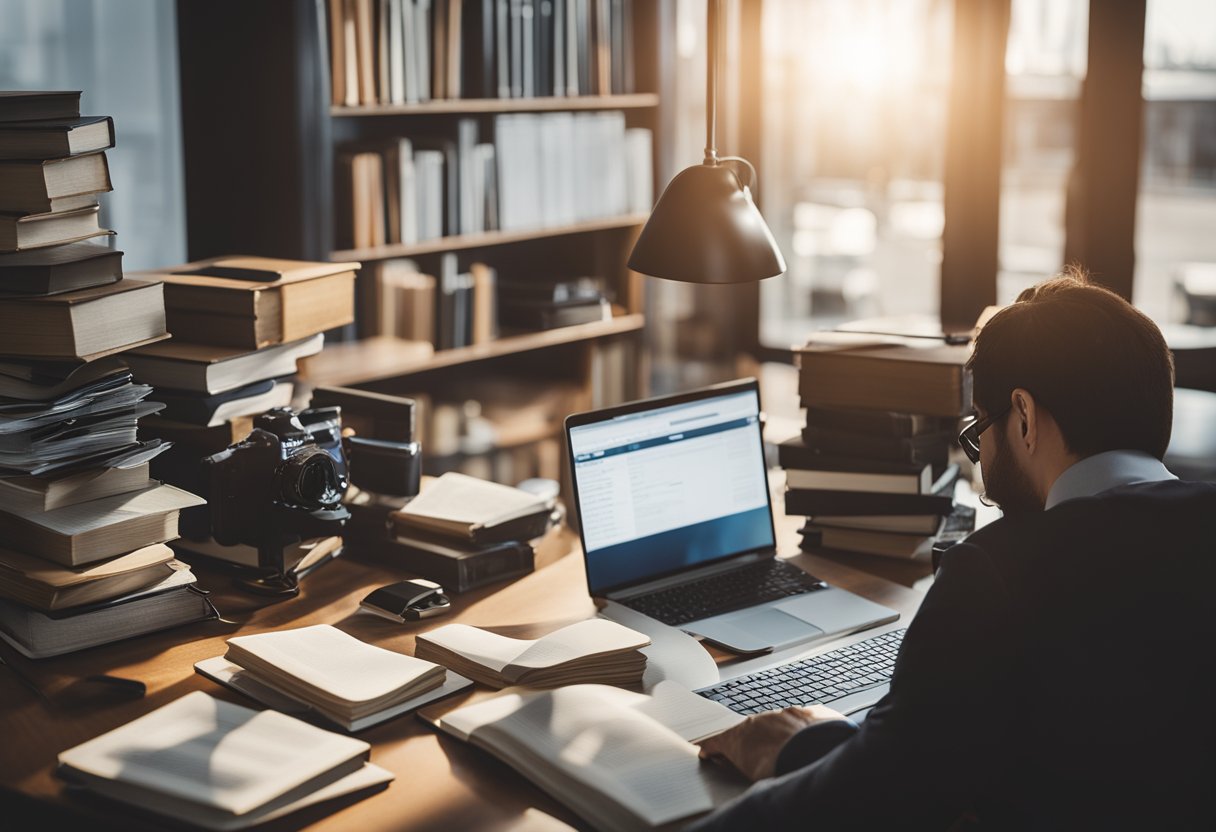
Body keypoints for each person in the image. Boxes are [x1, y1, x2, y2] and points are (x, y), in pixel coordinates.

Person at [691, 271, 1216, 831]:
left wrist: (796, 755)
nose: (981, 462)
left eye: (980, 428)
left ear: (1024, 417)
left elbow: (878, 801)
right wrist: (831, 749)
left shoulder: (1001, 571)